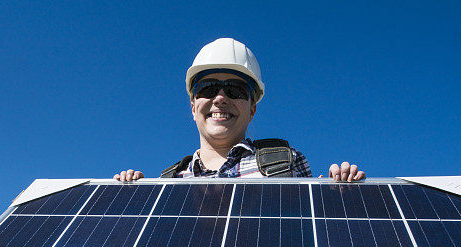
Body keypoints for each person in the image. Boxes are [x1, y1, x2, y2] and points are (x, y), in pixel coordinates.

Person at [114, 38, 365, 182]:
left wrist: (339, 194)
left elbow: (312, 237)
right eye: (208, 88)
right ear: (193, 106)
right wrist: (125, 198)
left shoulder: (287, 162)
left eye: (234, 89)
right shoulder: (168, 182)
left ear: (252, 108)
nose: (220, 98)